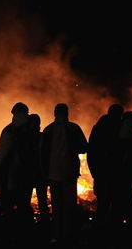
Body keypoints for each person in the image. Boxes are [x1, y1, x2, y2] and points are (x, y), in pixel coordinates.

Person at [41, 103, 88, 245]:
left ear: (54, 113)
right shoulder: (74, 128)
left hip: (54, 173)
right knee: (69, 206)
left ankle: (57, 235)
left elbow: (42, 154)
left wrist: (45, 172)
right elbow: (84, 147)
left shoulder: (48, 130)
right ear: (67, 113)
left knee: (57, 206)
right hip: (69, 173)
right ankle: (68, 236)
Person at [0, 102, 33, 242]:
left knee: (4, 208)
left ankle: (0, 236)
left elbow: (0, 157)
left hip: (11, 179)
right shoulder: (31, 130)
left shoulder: (10, 131)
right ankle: (23, 238)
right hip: (25, 178)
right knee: (22, 208)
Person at [87, 104, 124, 225]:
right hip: (114, 174)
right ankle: (113, 233)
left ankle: (99, 235)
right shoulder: (119, 128)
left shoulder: (98, 128)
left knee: (103, 205)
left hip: (101, 174)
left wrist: (95, 173)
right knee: (115, 205)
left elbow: (91, 152)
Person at [28, 113, 49, 224]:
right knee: (42, 203)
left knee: (25, 203)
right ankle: (44, 227)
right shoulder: (43, 137)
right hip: (40, 175)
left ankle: (30, 226)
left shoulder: (26, 138)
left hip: (32, 174)